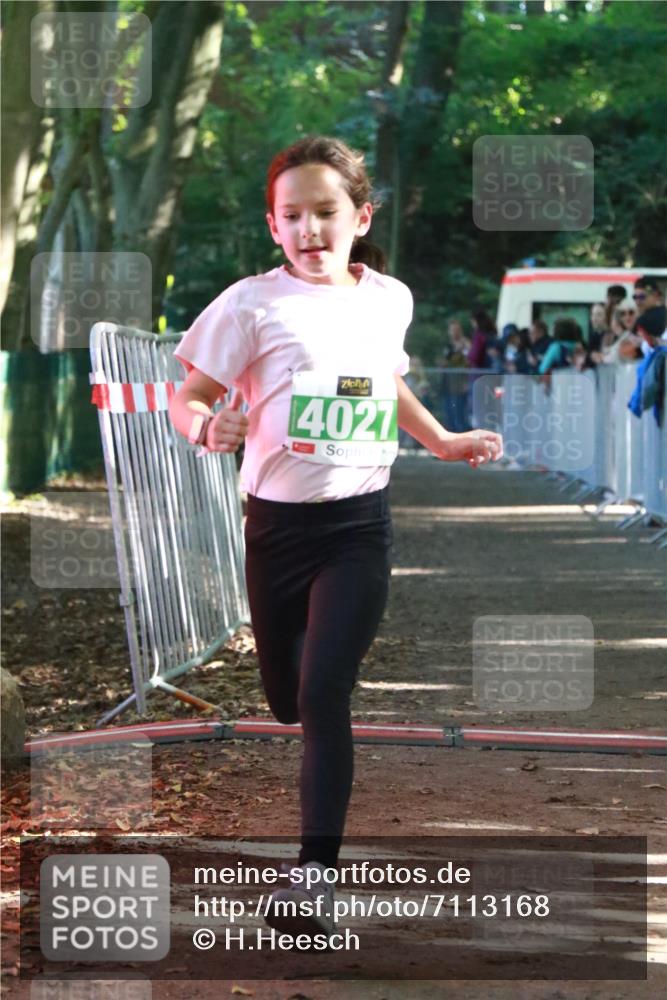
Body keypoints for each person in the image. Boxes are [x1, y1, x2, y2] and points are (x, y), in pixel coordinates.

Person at [168, 135, 503, 940]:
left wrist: (443, 442)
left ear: (360, 216)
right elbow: (187, 396)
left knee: (324, 693)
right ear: (272, 225)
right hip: (275, 530)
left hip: (357, 525)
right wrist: (208, 427)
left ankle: (314, 876)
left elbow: (384, 384)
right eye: (293, 216)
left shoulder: (388, 297)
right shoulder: (249, 303)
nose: (310, 229)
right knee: (286, 700)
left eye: (326, 212)